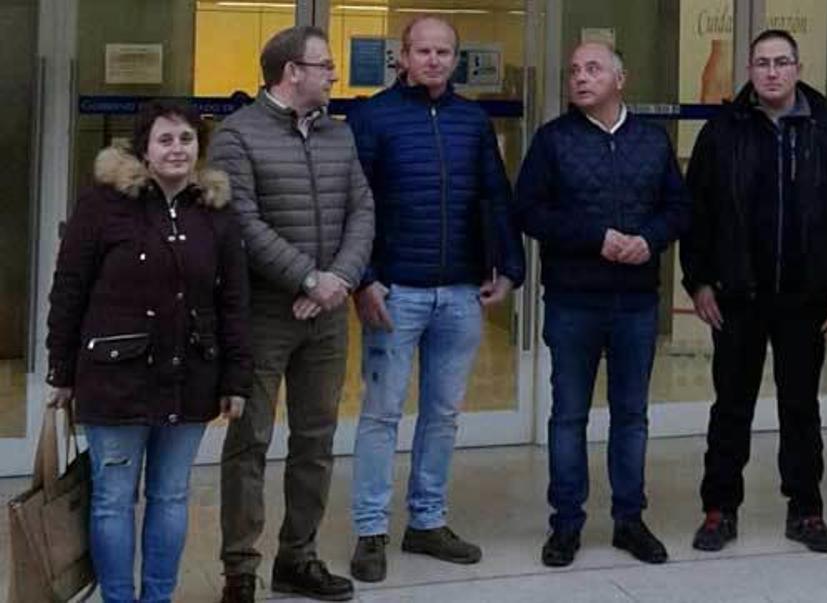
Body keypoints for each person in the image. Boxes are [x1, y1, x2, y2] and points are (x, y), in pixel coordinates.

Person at [45, 99, 252, 603]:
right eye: (165, 139)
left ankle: (157, 597)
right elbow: (69, 287)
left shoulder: (215, 212)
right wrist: (61, 370)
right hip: (114, 378)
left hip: (190, 376)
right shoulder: (103, 205)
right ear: (143, 149)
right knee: (113, 500)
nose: (177, 149)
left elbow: (234, 300)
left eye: (186, 139)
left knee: (171, 496)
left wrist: (235, 379)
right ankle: (119, 598)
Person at [345, 16, 525, 582]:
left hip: (460, 290)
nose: (434, 60)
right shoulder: (372, 117)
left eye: (444, 52)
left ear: (455, 58)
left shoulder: (473, 120)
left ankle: (426, 520)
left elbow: (495, 197)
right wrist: (363, 277)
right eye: (422, 51)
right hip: (395, 291)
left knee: (443, 414)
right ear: (402, 56)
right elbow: (356, 204)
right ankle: (370, 529)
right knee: (381, 414)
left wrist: (511, 267)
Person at [680, 29, 827, 555]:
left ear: (798, 67)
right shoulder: (723, 133)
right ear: (749, 71)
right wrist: (699, 282)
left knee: (801, 408)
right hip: (738, 296)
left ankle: (806, 510)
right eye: (761, 63)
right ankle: (719, 509)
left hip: (805, 299)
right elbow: (698, 215)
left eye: (781, 62)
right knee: (731, 408)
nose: (771, 72)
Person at [208, 25, 375, 603]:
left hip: (326, 316)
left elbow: (363, 209)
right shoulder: (237, 135)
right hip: (264, 313)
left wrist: (339, 283)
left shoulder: (339, 136)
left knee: (316, 439)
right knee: (249, 442)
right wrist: (308, 276)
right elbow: (242, 223)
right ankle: (240, 569)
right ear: (290, 72)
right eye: (324, 65)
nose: (334, 74)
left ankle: (298, 558)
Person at [514, 41, 690, 568]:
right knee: (567, 416)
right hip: (573, 301)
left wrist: (650, 239)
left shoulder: (652, 142)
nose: (580, 78)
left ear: (621, 78)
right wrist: (597, 237)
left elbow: (679, 208)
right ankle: (566, 524)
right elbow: (529, 211)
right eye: (573, 71)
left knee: (631, 416)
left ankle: (629, 520)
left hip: (636, 302)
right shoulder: (552, 141)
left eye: (592, 69)